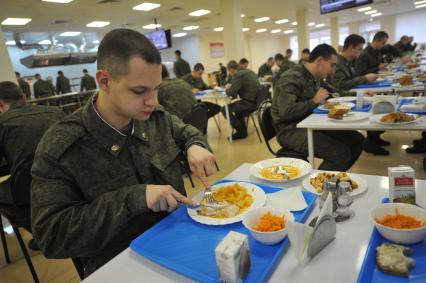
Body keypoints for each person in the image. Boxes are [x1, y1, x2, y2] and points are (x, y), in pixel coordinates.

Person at [31, 28, 216, 278]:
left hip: (181, 242)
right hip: (122, 264)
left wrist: (195, 145)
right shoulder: (62, 146)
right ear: (105, 81)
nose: (152, 101)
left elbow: (186, 133)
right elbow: (51, 236)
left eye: (156, 88)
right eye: (140, 91)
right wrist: (133, 199)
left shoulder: (154, 117)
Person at [271, 44, 364, 171]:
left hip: (312, 123)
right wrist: (314, 101)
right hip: (290, 131)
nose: (333, 71)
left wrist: (360, 96)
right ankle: (318, 186)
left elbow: (336, 93)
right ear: (319, 61)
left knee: (357, 139)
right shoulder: (291, 77)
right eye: (332, 65)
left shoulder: (316, 76)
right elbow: (286, 112)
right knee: (339, 154)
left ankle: (334, 177)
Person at [0, 81, 65, 249]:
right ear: (23, 97)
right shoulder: (57, 112)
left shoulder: (3, 122)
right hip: (69, 184)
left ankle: (40, 231)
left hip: (29, 190)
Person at [354, 31, 392, 155]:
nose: (384, 45)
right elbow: (360, 72)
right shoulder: (365, 53)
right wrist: (377, 68)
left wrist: (378, 67)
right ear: (378, 40)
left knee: (380, 108)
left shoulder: (376, 51)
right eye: (384, 42)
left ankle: (375, 138)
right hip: (365, 84)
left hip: (372, 82)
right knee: (375, 110)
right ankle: (371, 142)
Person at [222, 60, 261, 140]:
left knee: (224, 109)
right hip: (257, 102)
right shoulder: (249, 71)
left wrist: (228, 88)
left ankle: (240, 131)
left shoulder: (238, 75)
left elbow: (231, 92)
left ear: (231, 70)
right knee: (237, 110)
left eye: (229, 72)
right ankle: (242, 132)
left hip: (249, 103)